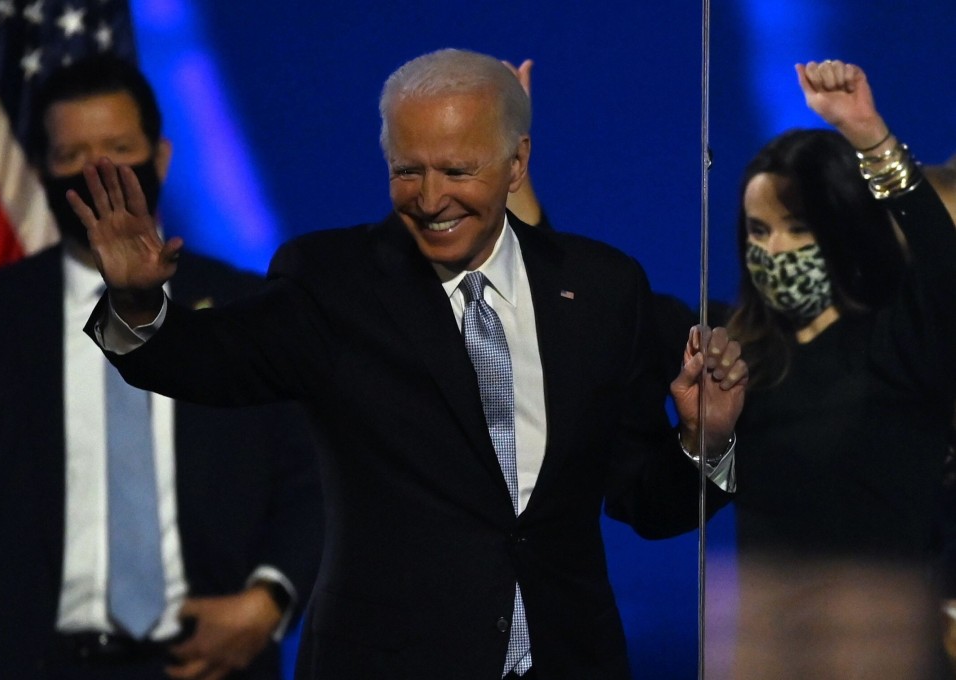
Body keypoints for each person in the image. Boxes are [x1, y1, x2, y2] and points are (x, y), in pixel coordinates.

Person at [73, 48, 747, 680]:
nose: (430, 199)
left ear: (517, 165)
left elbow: (644, 500)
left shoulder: (601, 289)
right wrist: (137, 303)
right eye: (408, 171)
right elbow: (205, 360)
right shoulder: (334, 281)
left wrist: (702, 442)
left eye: (458, 172)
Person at [0, 55, 323, 680]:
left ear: (161, 158)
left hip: (212, 665)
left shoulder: (251, 310)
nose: (100, 175)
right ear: (40, 171)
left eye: (119, 148)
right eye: (75, 155)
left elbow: (314, 479)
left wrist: (270, 600)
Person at [718, 61, 956, 679]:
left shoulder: (901, 344)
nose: (776, 251)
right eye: (758, 229)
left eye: (799, 228)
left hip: (883, 650)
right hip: (768, 651)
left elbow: (943, 268)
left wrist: (869, 133)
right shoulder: (734, 358)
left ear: (842, 230)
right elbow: (589, 307)